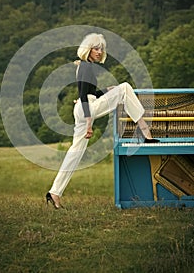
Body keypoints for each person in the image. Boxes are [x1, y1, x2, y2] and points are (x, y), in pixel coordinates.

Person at [46, 33, 159, 209]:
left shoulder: (84, 66)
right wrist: (90, 123)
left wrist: (107, 90)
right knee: (126, 87)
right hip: (86, 110)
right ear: (88, 49)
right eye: (96, 48)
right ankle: (145, 129)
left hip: (84, 108)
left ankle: (54, 192)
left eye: (101, 49)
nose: (99, 52)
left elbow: (91, 93)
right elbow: (84, 96)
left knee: (74, 153)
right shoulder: (85, 67)